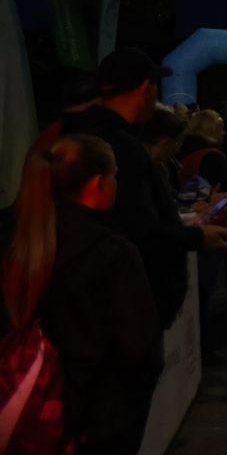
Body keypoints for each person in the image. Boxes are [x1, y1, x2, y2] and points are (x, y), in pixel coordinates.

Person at [2, 135, 163, 453]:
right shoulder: (112, 253)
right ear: (97, 184)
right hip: (96, 422)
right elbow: (140, 347)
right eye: (114, 175)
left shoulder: (21, 239)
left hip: (32, 411)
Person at [61, 48, 227, 328]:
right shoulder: (121, 148)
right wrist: (197, 236)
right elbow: (138, 228)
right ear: (145, 89)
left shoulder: (86, 135)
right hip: (123, 303)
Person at [178, 109, 227, 193]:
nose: (224, 133)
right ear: (212, 131)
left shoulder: (182, 150)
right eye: (221, 129)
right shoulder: (213, 156)